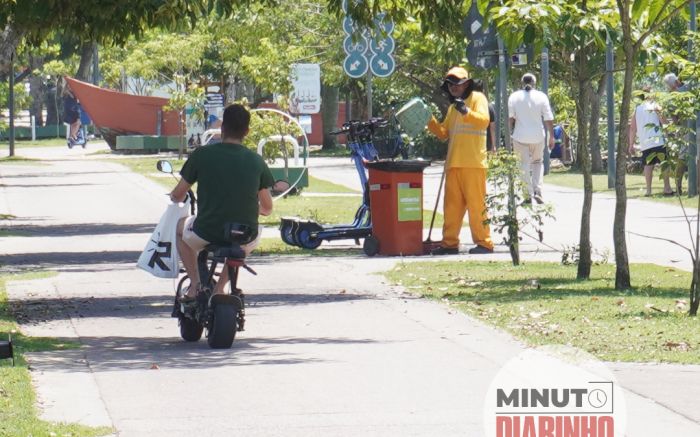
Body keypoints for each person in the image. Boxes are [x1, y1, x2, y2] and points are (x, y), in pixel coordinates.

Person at [170, 104, 274, 301]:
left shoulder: (202, 155)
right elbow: (268, 209)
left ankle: (196, 285)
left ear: (223, 127)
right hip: (245, 234)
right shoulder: (256, 161)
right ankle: (219, 289)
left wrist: (175, 197)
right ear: (247, 131)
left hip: (207, 231)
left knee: (179, 228)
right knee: (241, 247)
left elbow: (178, 194)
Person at [427, 66, 494, 255]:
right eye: (449, 84)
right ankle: (449, 244)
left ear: (466, 83)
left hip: (473, 163)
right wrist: (428, 120)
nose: (453, 87)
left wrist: (466, 111)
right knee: (451, 208)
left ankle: (484, 243)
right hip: (454, 164)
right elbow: (443, 133)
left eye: (456, 83)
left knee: (476, 206)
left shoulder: (477, 99)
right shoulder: (452, 108)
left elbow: (484, 121)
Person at [508, 73, 555, 204]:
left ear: (521, 83)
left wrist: (509, 136)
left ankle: (527, 194)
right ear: (535, 83)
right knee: (537, 163)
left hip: (519, 136)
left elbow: (510, 119)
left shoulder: (514, 96)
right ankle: (537, 190)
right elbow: (548, 118)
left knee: (523, 164)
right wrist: (551, 136)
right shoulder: (541, 96)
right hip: (538, 136)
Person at [628, 87, 674, 197]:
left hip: (645, 142)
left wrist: (631, 144)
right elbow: (664, 121)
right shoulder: (656, 105)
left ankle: (648, 190)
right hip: (658, 140)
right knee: (664, 164)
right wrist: (670, 133)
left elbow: (632, 128)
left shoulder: (637, 109)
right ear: (650, 95)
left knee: (648, 165)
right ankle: (667, 188)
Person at [663, 72, 689, 195]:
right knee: (686, 158)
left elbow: (675, 120)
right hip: (689, 129)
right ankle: (692, 186)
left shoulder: (671, 98)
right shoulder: (689, 88)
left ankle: (679, 186)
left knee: (682, 159)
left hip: (683, 130)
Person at [473, 79, 497, 153]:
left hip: (471, 144)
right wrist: (493, 145)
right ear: (483, 91)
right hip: (486, 144)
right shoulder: (488, 107)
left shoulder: (467, 107)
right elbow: (492, 128)